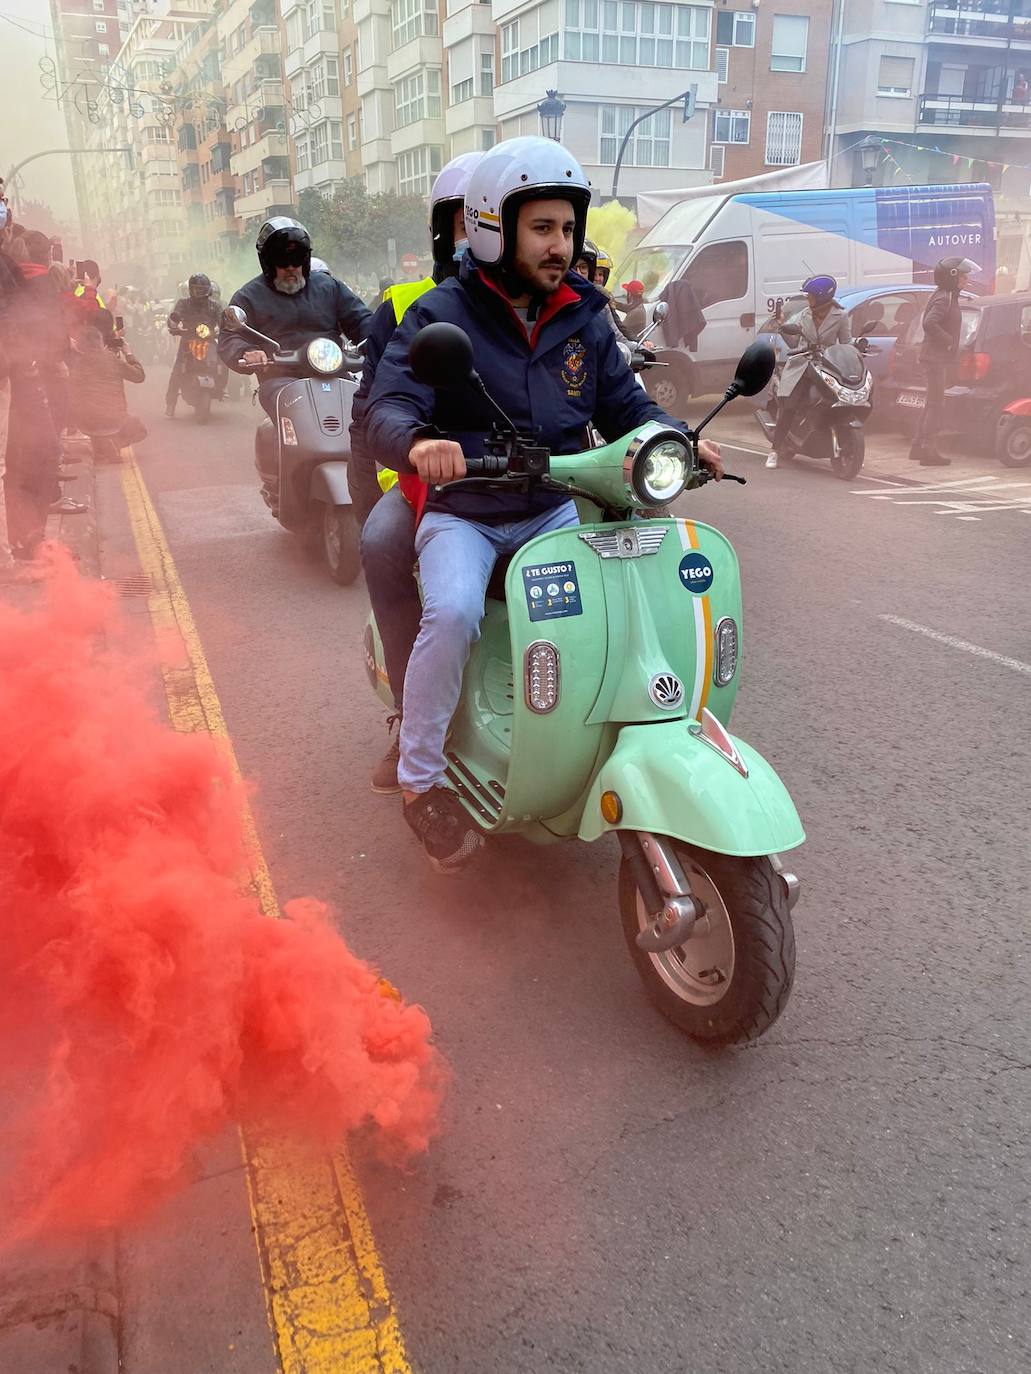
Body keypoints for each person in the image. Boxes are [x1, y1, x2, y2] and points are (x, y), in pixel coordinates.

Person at [365, 136, 723, 872]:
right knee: (456, 609)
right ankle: (419, 777)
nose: (559, 245)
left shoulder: (583, 319)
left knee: (628, 587)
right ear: (496, 228)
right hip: (465, 509)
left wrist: (678, 439)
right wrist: (416, 445)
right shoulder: (442, 312)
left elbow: (626, 405)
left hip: (553, 503)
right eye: (542, 229)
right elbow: (386, 405)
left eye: (566, 229)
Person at [356, 150, 484, 791]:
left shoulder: (564, 301)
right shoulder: (407, 304)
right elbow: (373, 412)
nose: (482, 233)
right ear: (446, 227)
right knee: (380, 542)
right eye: (469, 220)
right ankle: (412, 720)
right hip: (426, 486)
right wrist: (413, 453)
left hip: (538, 481)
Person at [217, 217, 371, 418]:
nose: (290, 267)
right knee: (296, 411)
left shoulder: (329, 287)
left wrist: (380, 338)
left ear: (305, 260)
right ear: (268, 262)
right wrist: (246, 351)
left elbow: (361, 319)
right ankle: (281, 450)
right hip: (281, 378)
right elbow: (231, 335)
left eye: (297, 258)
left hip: (335, 374)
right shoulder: (249, 296)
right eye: (282, 260)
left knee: (368, 408)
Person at [765, 274, 851, 469]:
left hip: (827, 364)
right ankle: (775, 450)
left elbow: (846, 343)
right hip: (803, 363)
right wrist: (780, 326)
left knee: (839, 399)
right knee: (790, 405)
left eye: (811, 295)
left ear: (821, 296)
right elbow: (795, 341)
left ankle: (844, 444)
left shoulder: (841, 316)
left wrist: (855, 352)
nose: (808, 299)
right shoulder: (805, 315)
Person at [908, 255, 978, 468]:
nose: (966, 281)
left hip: (936, 358)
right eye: (963, 277)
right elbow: (929, 323)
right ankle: (929, 451)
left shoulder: (947, 295)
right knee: (936, 405)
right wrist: (948, 341)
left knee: (932, 403)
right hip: (935, 359)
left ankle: (918, 447)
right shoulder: (944, 297)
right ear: (952, 277)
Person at [68, 315, 147, 453]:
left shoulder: (77, 363)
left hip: (85, 423)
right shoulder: (112, 359)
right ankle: (116, 443)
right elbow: (139, 376)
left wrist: (75, 352)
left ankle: (100, 446)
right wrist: (128, 354)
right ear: (100, 341)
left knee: (90, 415)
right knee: (139, 428)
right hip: (114, 420)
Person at [165, 272, 220, 417]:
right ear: (190, 289)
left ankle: (221, 387)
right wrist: (174, 325)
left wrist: (225, 329)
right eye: (195, 288)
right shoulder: (183, 303)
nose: (198, 291)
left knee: (223, 362)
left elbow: (223, 322)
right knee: (177, 371)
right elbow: (174, 317)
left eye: (201, 289)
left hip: (209, 340)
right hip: (188, 341)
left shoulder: (215, 306)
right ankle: (170, 405)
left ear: (208, 290)